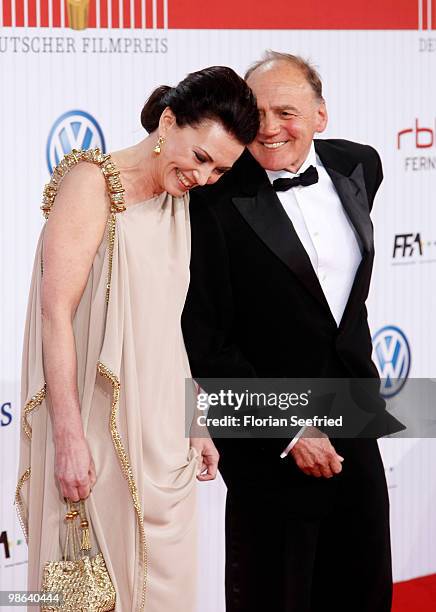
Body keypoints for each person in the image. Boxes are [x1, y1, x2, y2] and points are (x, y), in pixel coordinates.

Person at [15, 66, 259, 612]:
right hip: (96, 434)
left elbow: (171, 323)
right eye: (200, 158)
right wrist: (69, 439)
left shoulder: (181, 202)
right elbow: (56, 314)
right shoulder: (91, 183)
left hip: (164, 440)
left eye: (219, 170)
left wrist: (195, 419)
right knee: (88, 597)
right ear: (168, 122)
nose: (204, 177)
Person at [182, 51, 404, 612]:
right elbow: (205, 337)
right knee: (275, 593)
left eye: (288, 111)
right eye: (257, 114)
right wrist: (289, 427)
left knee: (363, 584)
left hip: (354, 414)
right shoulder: (210, 198)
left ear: (321, 116)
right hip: (267, 436)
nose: (271, 127)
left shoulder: (360, 165)